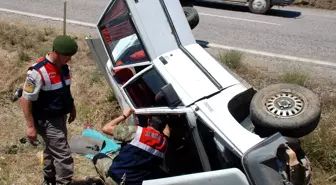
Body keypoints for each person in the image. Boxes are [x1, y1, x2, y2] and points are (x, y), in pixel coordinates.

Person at [20, 35, 78, 185]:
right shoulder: (37, 72)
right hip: (46, 120)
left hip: (60, 117)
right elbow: (25, 99)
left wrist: (72, 107)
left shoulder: (65, 68)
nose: (69, 59)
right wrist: (30, 126)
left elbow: (66, 90)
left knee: (52, 150)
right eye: (67, 56)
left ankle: (49, 180)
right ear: (57, 52)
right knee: (64, 156)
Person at [93, 108, 170, 185]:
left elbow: (106, 128)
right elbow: (167, 134)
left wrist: (124, 115)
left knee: (98, 156)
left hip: (117, 179)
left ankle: (104, 181)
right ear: (163, 127)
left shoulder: (137, 132)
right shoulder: (164, 144)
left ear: (148, 121)